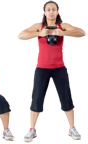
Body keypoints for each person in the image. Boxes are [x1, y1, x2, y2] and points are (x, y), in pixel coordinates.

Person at [18, 1, 86, 142]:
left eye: (53, 9)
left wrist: (63, 33)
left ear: (57, 11)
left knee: (66, 98)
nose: (51, 12)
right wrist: (40, 33)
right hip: (41, 68)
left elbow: (82, 32)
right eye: (48, 9)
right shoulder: (39, 26)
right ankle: (32, 130)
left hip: (59, 68)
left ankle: (72, 128)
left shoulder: (63, 26)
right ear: (44, 12)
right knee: (36, 99)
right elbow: (21, 35)